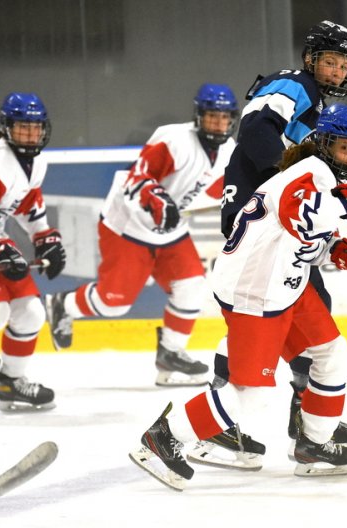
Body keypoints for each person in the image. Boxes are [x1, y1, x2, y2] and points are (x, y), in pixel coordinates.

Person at [130, 104, 347, 487]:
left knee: (332, 355)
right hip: (255, 291)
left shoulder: (321, 177)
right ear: (324, 144)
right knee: (251, 395)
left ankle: (314, 444)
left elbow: (304, 238)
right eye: (344, 147)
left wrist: (342, 250)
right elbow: (303, 215)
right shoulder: (308, 173)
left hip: (287, 285)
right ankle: (164, 439)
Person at [195, 19, 347, 466]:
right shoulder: (295, 85)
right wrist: (287, 181)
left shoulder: (315, 98)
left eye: (343, 63)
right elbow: (253, 130)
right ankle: (234, 427)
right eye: (329, 60)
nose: (336, 70)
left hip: (272, 220)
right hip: (263, 221)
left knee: (297, 320)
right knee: (276, 325)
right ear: (311, 60)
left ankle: (304, 420)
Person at [44, 84, 239, 386]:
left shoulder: (228, 151)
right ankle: (63, 304)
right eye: (212, 116)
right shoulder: (174, 140)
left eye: (225, 118)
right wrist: (157, 199)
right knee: (114, 303)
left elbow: (224, 191)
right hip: (129, 227)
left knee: (192, 287)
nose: (219, 124)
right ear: (199, 116)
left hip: (171, 233)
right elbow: (137, 176)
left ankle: (170, 356)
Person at [0, 92, 66, 411]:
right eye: (23, 127)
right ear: (7, 128)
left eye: (35, 128)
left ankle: (10, 382)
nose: (30, 134)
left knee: (30, 311)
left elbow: (28, 205)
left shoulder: (36, 162)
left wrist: (44, 237)